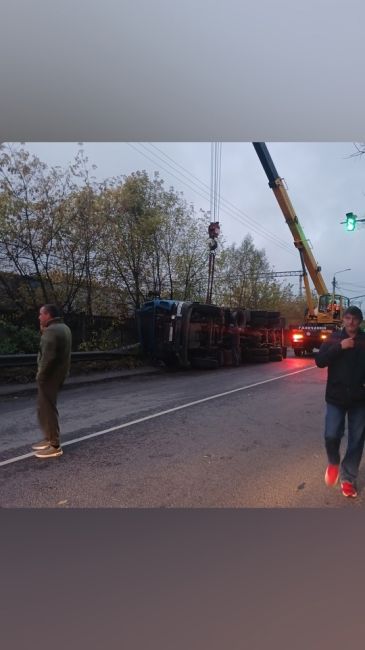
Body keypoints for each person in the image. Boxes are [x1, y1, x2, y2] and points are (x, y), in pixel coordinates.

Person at [316, 305, 365, 498]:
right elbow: (320, 361)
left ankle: (348, 479)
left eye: (355, 319)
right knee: (331, 435)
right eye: (348, 318)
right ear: (343, 320)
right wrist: (340, 347)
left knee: (356, 440)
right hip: (335, 397)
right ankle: (334, 462)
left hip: (359, 399)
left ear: (360, 321)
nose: (351, 322)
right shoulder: (333, 338)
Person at [32, 304, 72, 459]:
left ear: (48, 315)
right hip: (58, 374)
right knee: (44, 407)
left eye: (41, 314)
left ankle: (54, 445)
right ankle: (49, 438)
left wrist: (40, 376)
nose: (39, 317)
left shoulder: (52, 331)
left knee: (47, 409)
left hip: (49, 376)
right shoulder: (63, 327)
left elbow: (47, 357)